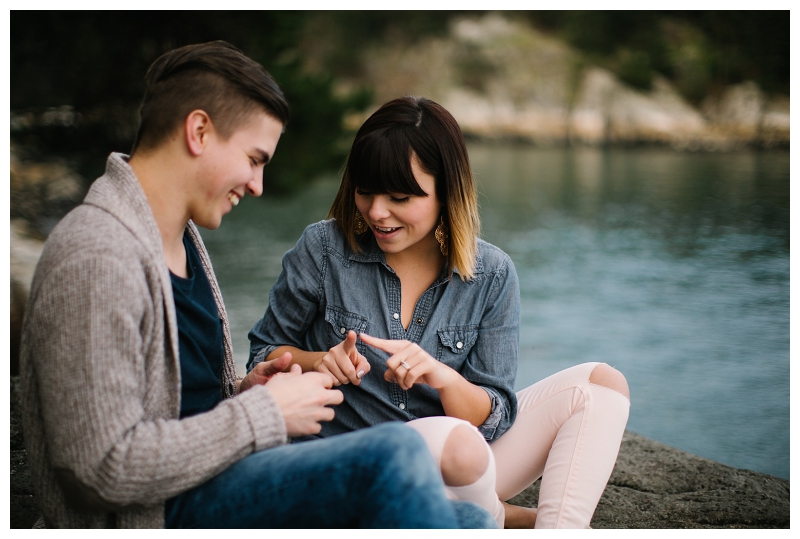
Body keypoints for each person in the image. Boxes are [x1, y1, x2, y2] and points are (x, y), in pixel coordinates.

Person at [19, 43, 498, 529]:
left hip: (214, 480)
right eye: (254, 158)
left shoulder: (179, 241)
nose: (257, 185)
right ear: (199, 131)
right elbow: (99, 469)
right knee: (397, 454)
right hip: (152, 516)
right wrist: (262, 414)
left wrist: (247, 391)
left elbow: (184, 405)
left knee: (472, 523)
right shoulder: (97, 254)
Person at [247, 96, 632, 529]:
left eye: (399, 196)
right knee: (457, 442)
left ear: (446, 191)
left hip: (464, 463)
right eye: (365, 191)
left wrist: (444, 378)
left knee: (602, 386)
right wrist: (317, 360)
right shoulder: (323, 249)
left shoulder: (492, 273)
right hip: (360, 463)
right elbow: (262, 352)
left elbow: (496, 411)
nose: (376, 212)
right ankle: (494, 515)